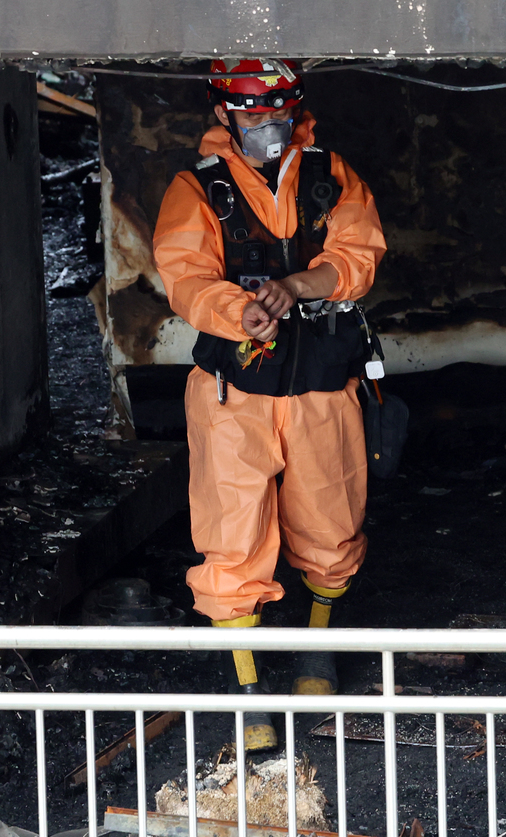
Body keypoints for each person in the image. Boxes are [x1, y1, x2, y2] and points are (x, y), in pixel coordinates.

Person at [153, 58, 387, 750]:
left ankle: (318, 656)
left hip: (322, 384)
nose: (267, 124)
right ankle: (247, 690)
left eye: (278, 111)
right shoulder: (195, 188)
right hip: (234, 392)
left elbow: (359, 255)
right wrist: (240, 312)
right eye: (252, 113)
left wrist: (298, 286)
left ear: (296, 109)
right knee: (232, 535)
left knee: (331, 522)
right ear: (223, 114)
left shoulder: (331, 174)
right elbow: (186, 277)